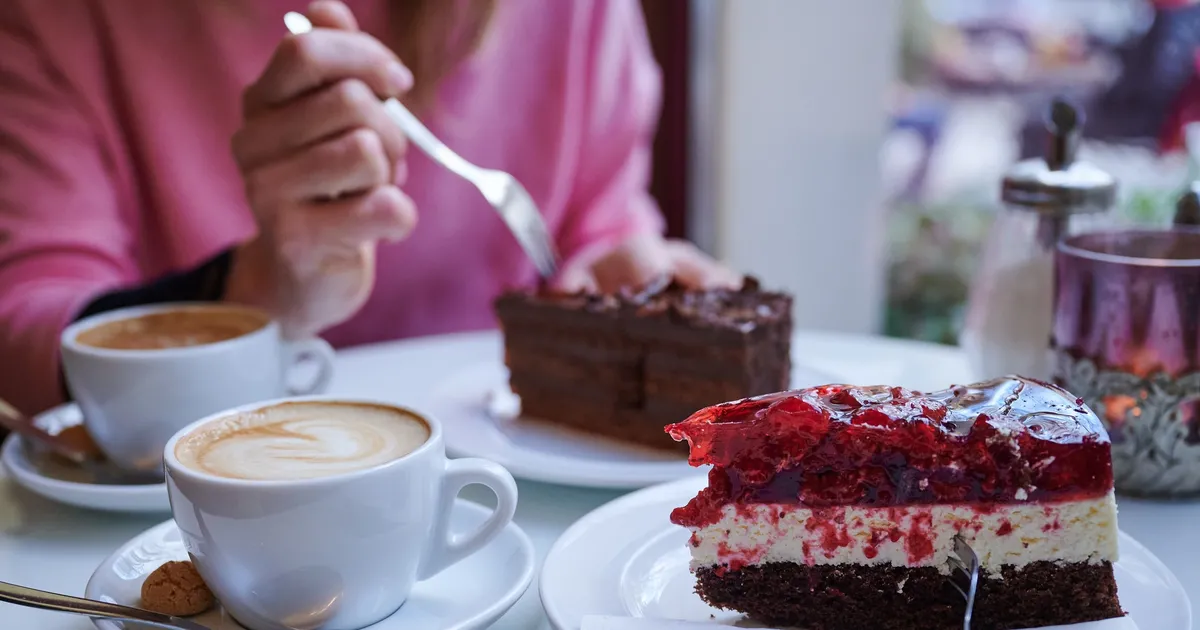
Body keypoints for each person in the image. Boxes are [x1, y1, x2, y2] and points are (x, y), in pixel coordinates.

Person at [0, 0, 738, 415]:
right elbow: (22, 346)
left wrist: (609, 285)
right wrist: (247, 296)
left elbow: (599, 219)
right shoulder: (57, 20)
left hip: (509, 479)